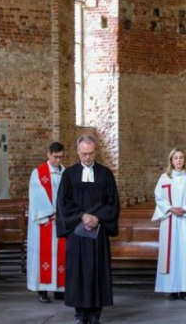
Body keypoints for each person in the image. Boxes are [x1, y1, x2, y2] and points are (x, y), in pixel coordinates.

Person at [56, 135, 120, 324]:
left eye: (90, 153)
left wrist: (98, 218)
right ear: (78, 152)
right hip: (77, 233)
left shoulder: (105, 174)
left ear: (95, 151)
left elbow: (113, 202)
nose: (87, 157)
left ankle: (95, 314)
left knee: (97, 271)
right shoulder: (69, 175)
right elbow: (63, 203)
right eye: (84, 154)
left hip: (98, 233)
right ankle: (80, 314)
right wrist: (82, 216)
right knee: (78, 272)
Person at [151, 147, 186, 300]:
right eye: (176, 158)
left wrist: (185, 209)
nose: (179, 160)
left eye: (181, 157)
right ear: (171, 160)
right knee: (172, 253)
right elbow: (158, 197)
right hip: (170, 220)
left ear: (184, 160)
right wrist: (170, 208)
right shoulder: (164, 178)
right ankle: (172, 288)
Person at [27, 142, 66, 303]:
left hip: (61, 220)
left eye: (60, 157)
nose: (58, 160)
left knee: (61, 255)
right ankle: (42, 289)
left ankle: (59, 289)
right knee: (42, 255)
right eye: (55, 157)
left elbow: (70, 195)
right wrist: (51, 212)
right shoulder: (38, 173)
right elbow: (36, 195)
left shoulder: (66, 172)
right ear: (48, 154)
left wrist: (62, 212)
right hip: (45, 221)